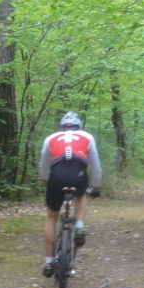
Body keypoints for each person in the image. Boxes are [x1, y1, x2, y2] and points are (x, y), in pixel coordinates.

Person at [38, 111, 102, 277]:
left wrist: (45, 180)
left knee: (52, 217)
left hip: (57, 175)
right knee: (81, 195)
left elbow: (44, 164)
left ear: (61, 127)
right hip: (78, 174)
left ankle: (49, 262)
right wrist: (96, 186)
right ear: (79, 126)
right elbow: (95, 165)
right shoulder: (87, 137)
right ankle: (79, 226)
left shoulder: (50, 138)